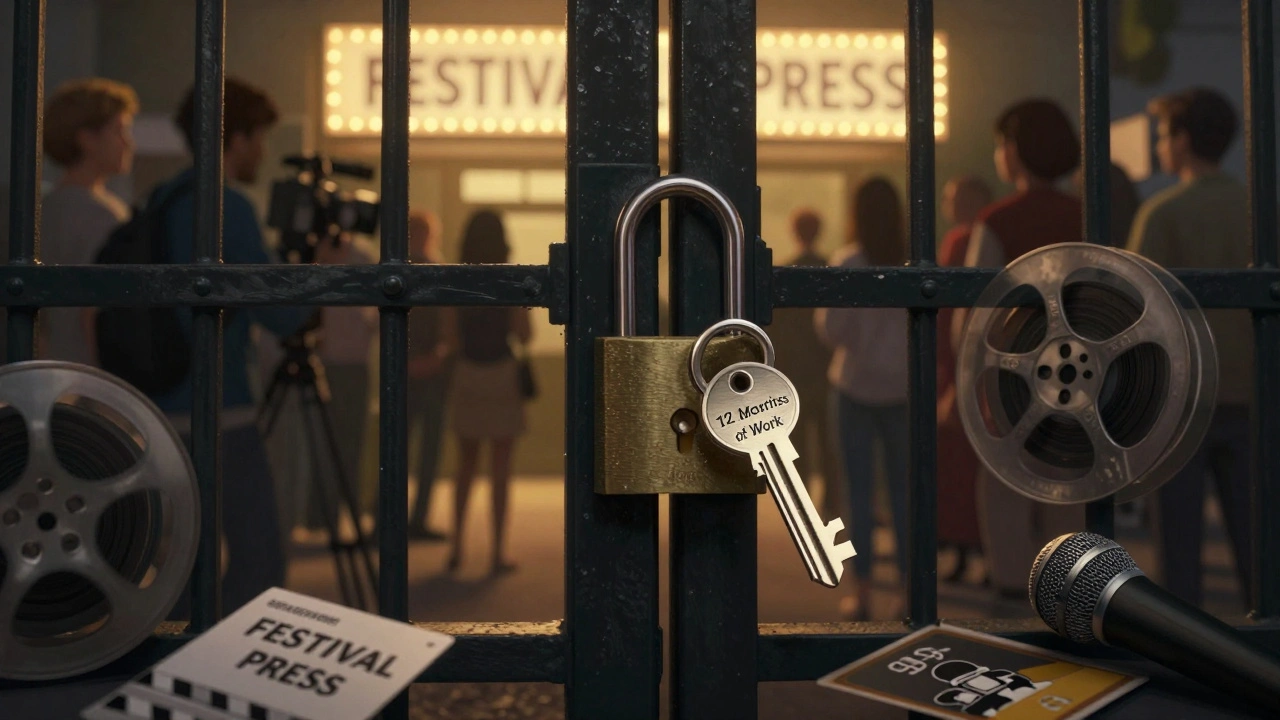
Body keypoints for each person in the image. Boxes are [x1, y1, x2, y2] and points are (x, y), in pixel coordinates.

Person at [153, 77, 343, 613]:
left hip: (163, 404)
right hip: (220, 407)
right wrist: (319, 277)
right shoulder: (226, 206)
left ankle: (181, 664)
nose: (263, 150)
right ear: (235, 139)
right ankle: (220, 670)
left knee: (187, 561)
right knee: (260, 554)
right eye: (259, 137)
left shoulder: (166, 198)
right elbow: (280, 314)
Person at [1126, 87, 1253, 609]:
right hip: (1252, 394)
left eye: (1162, 134)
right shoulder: (1255, 207)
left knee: (1178, 554)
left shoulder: (1163, 213)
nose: (1159, 145)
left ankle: (1185, 659)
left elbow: (1135, 309)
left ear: (1182, 140)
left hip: (1183, 401)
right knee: (1257, 544)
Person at [955, 99, 1086, 598]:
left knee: (1007, 487)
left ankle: (1013, 593)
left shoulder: (998, 221)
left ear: (1015, 150)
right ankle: (1068, 591)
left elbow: (975, 315)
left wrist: (971, 381)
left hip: (1012, 375)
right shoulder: (1085, 214)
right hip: (1077, 373)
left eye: (1001, 143)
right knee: (1068, 489)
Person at [815, 177, 910, 621]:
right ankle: (912, 593)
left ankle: (863, 590)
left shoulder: (849, 260)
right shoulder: (913, 260)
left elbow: (831, 330)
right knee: (906, 493)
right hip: (904, 390)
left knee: (857, 495)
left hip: (852, 388)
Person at [445, 210, 532, 575]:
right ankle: (497, 552)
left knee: (464, 466)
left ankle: (456, 546)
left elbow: (450, 338)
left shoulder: (456, 279)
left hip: (467, 372)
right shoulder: (508, 279)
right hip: (501, 374)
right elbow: (524, 334)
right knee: (500, 468)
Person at [39, 78, 138, 365]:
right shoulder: (100, 214)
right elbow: (94, 314)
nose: (128, 143)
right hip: (89, 375)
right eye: (120, 130)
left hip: (50, 370)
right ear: (87, 139)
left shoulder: (46, 207)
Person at [936, 175, 992, 583]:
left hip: (958, 368)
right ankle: (969, 550)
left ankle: (969, 550)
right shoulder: (959, 238)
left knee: (964, 470)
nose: (948, 201)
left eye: (956, 194)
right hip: (957, 368)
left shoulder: (964, 241)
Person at [768, 208, 839, 516]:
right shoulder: (830, 271)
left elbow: (777, 328)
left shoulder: (785, 273)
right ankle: (832, 502)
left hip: (794, 370)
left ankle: (801, 503)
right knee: (828, 442)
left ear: (795, 233)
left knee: (796, 441)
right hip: (826, 369)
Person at [407, 210, 455, 541]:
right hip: (428, 370)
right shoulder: (436, 271)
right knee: (425, 451)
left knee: (396, 448)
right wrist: (438, 356)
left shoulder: (397, 270)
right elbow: (449, 325)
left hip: (409, 368)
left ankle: (392, 520)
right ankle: (416, 520)